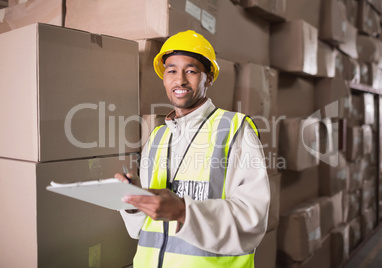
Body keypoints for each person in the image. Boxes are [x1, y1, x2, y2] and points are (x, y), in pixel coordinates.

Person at [115, 30, 270, 268]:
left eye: (191, 70)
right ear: (164, 77)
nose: (180, 80)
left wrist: (183, 211)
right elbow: (141, 230)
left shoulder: (235, 129)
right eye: (172, 71)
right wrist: (134, 200)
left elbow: (252, 220)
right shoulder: (157, 137)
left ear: (209, 78)